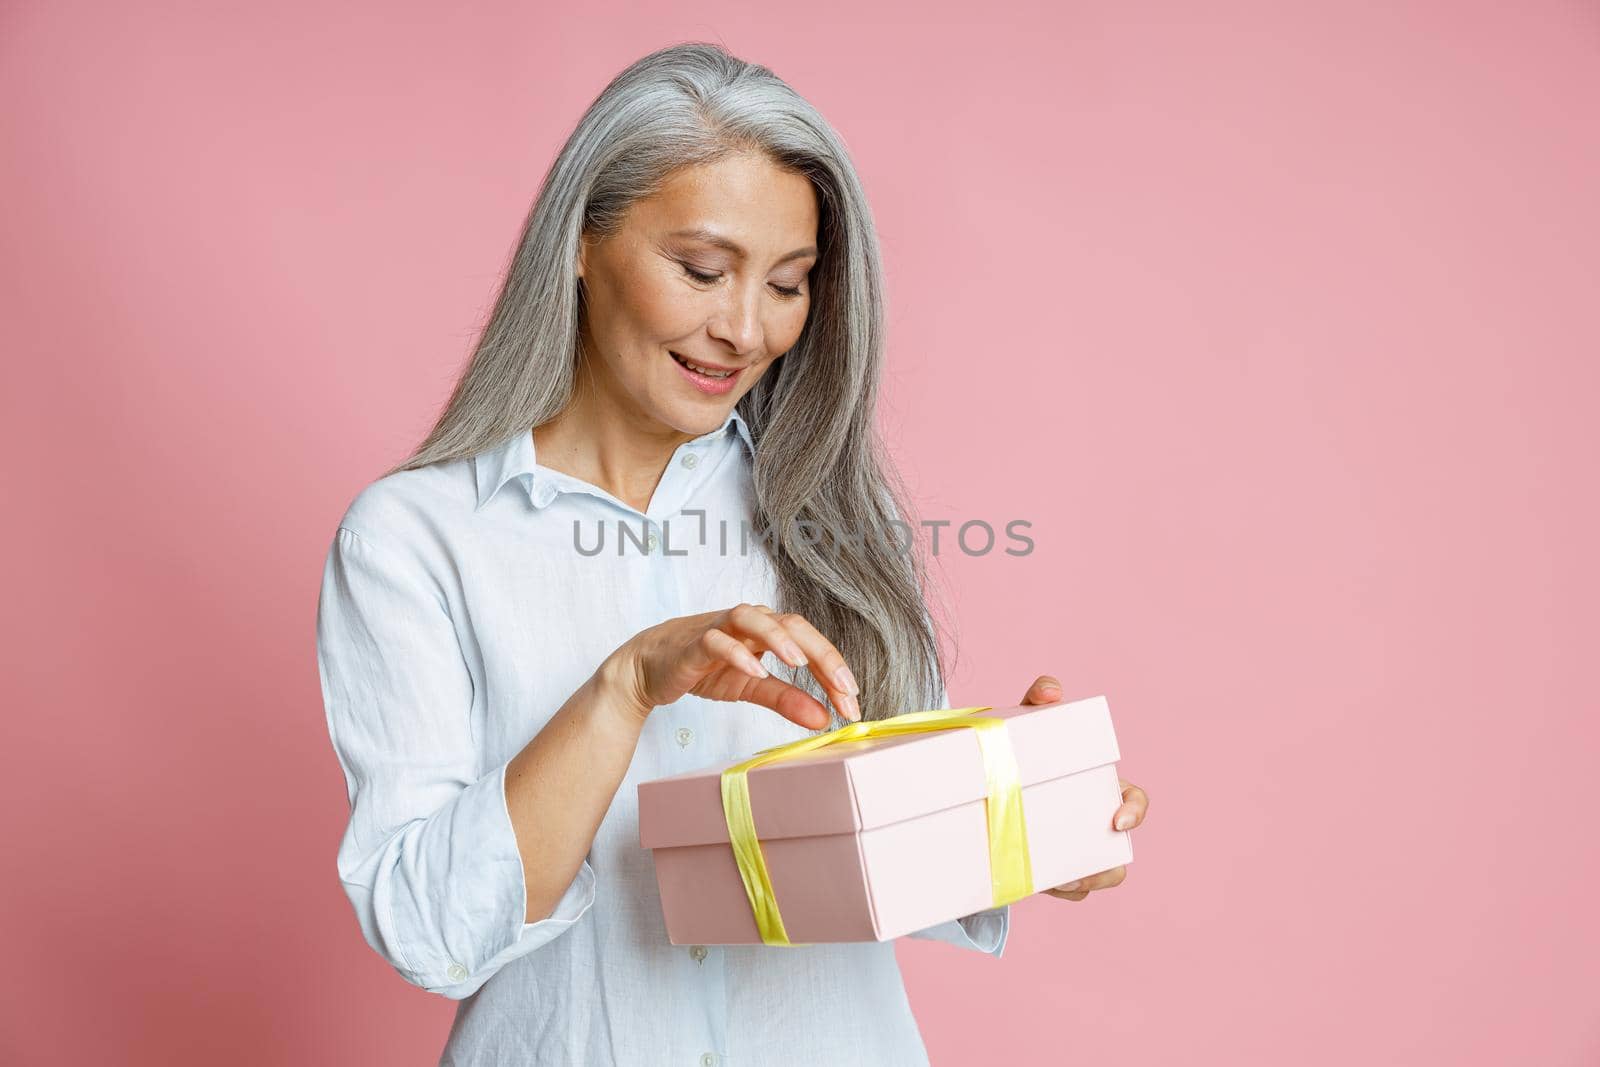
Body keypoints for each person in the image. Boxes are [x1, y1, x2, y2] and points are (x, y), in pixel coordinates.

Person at [315, 40, 1149, 1066]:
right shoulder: (413, 541)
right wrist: (622, 687)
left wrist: (1028, 815)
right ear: (581, 241)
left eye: (790, 284)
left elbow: (872, 852)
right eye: (702, 270)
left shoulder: (833, 514)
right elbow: (431, 930)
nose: (746, 329)